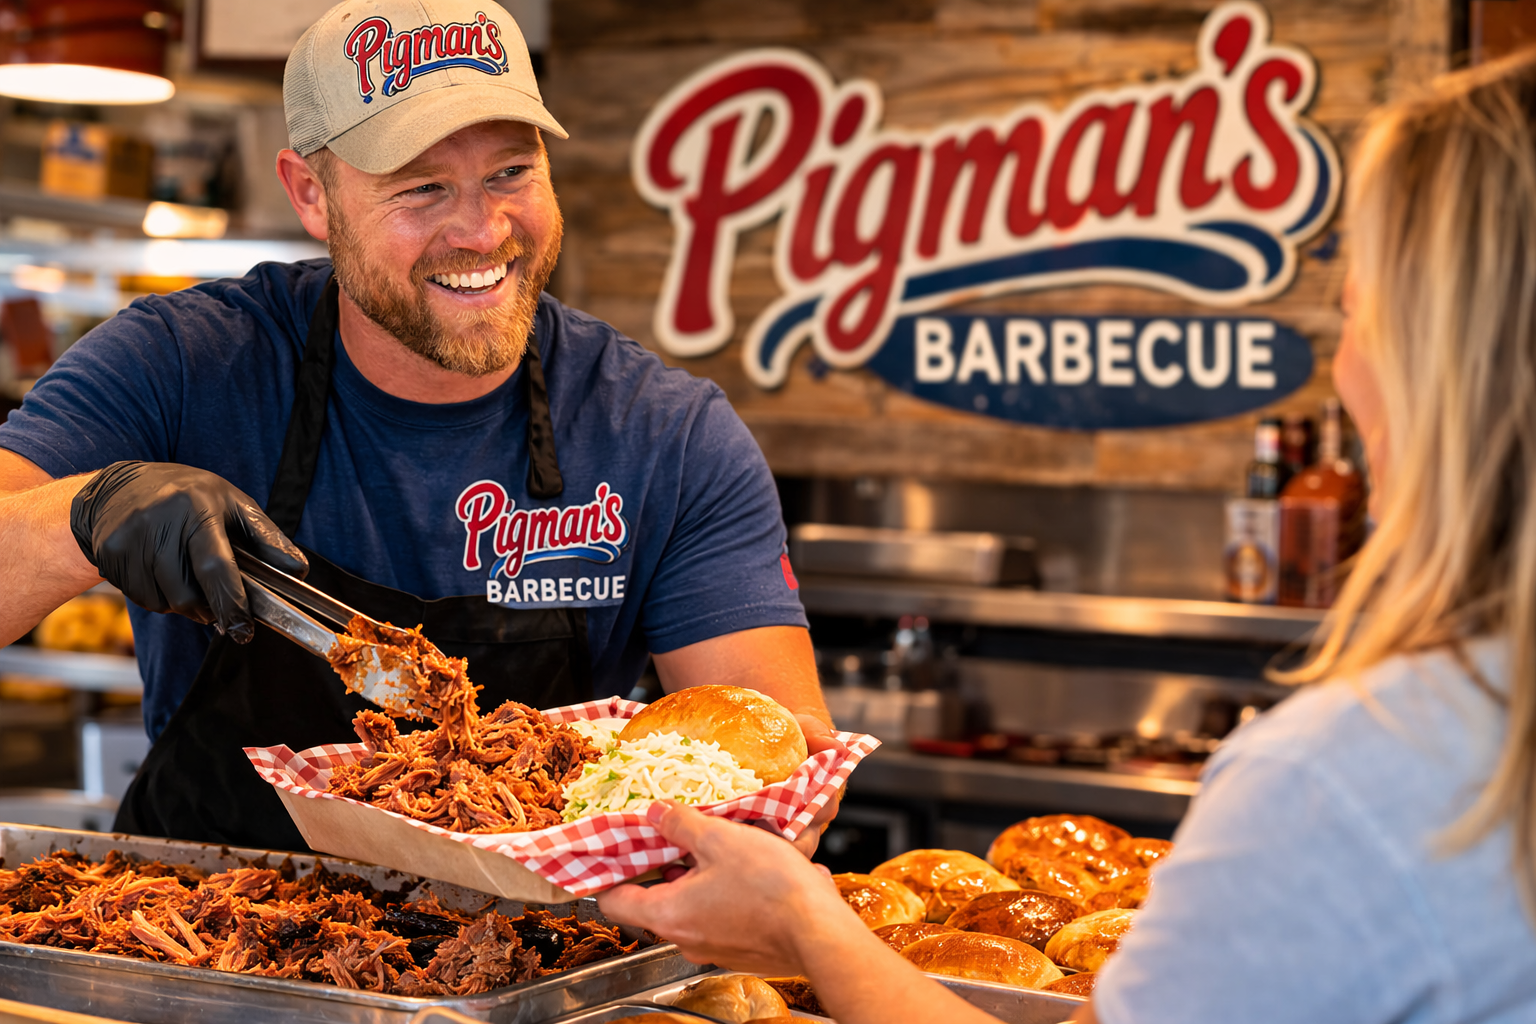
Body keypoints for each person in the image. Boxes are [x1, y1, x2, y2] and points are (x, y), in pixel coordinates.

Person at [598, 50, 1536, 1024]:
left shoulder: (1342, 784)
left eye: (1357, 316)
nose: (1344, 368)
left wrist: (803, 921)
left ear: (1437, 369)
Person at [0, 0, 836, 854]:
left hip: (539, 959)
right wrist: (87, 514)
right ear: (311, 196)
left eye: (510, 172)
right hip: (205, 942)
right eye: (422, 187)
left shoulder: (667, 433)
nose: (481, 230)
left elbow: (777, 763)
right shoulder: (180, 364)